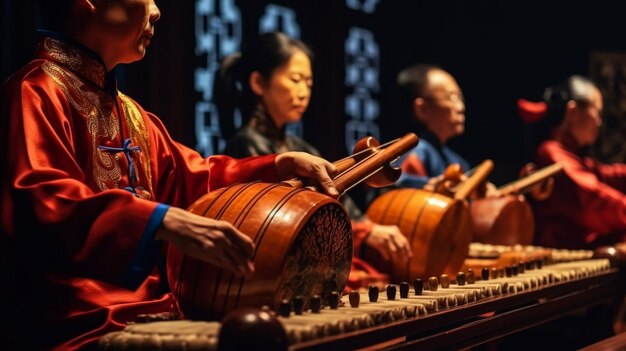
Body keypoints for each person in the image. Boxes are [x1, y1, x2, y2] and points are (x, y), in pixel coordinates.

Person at [0, 2, 340, 349]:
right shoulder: (35, 91)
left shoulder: (130, 112)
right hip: (82, 324)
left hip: (156, 312)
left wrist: (278, 165)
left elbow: (195, 178)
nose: (157, 10)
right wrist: (160, 221)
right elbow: (41, 200)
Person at [215, 32, 412, 288]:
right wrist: (367, 232)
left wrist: (369, 229)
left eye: (308, 82)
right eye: (295, 80)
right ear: (258, 83)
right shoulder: (245, 143)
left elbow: (342, 204)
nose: (303, 91)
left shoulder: (300, 147)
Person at [518, 75, 626, 249]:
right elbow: (592, 200)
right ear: (573, 111)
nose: (599, 122)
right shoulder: (551, 153)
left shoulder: (571, 156)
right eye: (597, 112)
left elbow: (607, 174)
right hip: (559, 258)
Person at [394, 64, 470, 189]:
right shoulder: (417, 153)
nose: (461, 107)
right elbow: (402, 197)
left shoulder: (455, 159)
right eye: (451, 97)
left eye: (460, 98)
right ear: (422, 109)